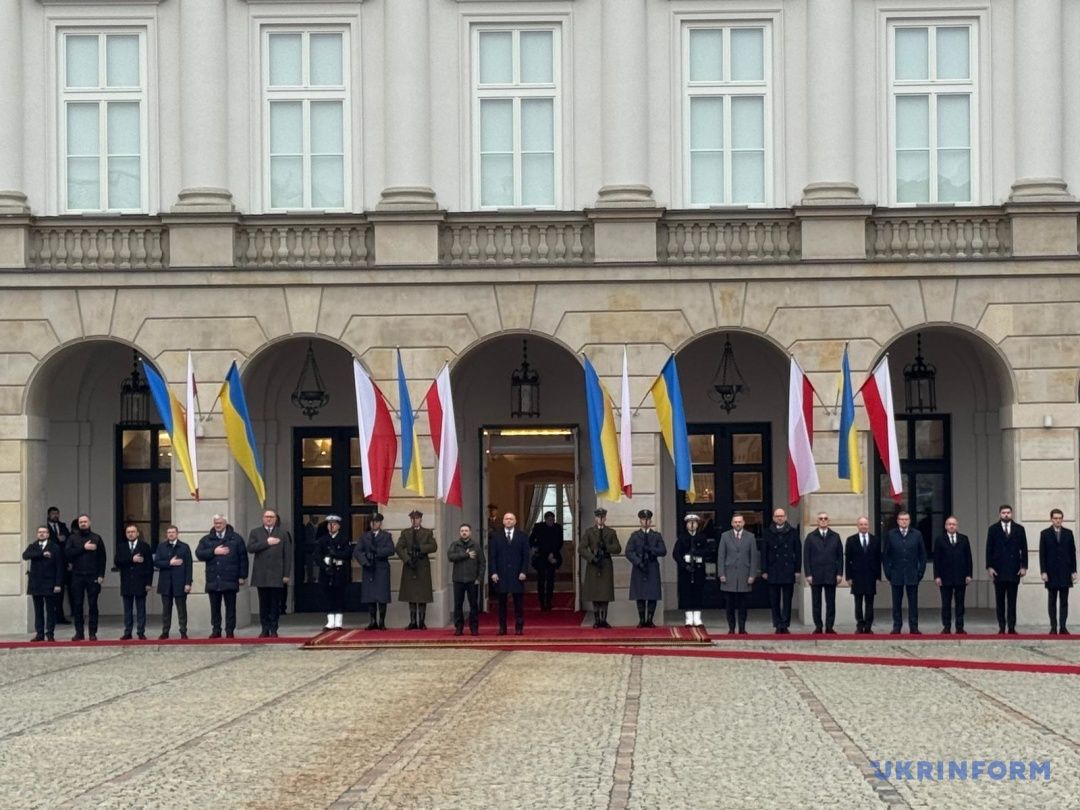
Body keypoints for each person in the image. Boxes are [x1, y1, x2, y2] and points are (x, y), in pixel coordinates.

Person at [196, 514, 248, 638]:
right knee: (215, 608)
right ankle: (216, 630)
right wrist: (213, 551)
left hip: (230, 578)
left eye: (220, 523)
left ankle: (230, 631)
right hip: (213, 579)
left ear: (225, 523)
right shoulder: (207, 539)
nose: (217, 525)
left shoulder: (236, 539)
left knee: (230, 607)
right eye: (215, 523)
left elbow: (243, 559)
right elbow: (199, 554)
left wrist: (242, 576)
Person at [247, 508, 293, 638]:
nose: (268, 519)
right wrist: (266, 543)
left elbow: (287, 555)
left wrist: (286, 574)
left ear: (275, 519)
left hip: (276, 574)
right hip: (261, 574)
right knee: (263, 603)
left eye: (271, 517)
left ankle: (274, 628)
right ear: (263, 518)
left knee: (275, 604)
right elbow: (250, 548)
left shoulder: (283, 533)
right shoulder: (255, 532)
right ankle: (264, 628)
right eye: (266, 516)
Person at [986, 504, 1028, 634]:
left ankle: (1011, 627)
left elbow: (1024, 549)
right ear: (1000, 514)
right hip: (998, 570)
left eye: (1008, 512)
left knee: (1012, 600)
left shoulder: (1019, 529)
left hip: (1014, 569)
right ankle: (1001, 626)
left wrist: (1024, 567)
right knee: (1000, 601)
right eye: (1003, 512)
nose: (1006, 515)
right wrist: (989, 566)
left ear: (1012, 514)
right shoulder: (993, 529)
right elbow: (989, 549)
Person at [883, 510, 926, 634]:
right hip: (896, 574)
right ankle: (897, 626)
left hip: (912, 575)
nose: (904, 521)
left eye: (906, 519)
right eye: (901, 519)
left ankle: (914, 627)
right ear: (897, 521)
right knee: (896, 603)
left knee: (913, 603)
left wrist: (920, 572)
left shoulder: (917, 534)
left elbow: (922, 555)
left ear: (910, 521)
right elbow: (886, 556)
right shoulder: (891, 534)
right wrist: (888, 573)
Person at [65, 514, 106, 641]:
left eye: (85, 521)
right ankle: (79, 633)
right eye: (81, 522)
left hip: (93, 576)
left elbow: (102, 558)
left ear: (90, 522)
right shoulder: (72, 538)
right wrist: (83, 548)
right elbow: (67, 554)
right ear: (78, 524)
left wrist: (101, 575)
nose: (83, 523)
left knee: (93, 605)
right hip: (77, 576)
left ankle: (93, 633)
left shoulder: (96, 538)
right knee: (77, 605)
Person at [489, 512, 530, 635]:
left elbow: (526, 556)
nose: (508, 521)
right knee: (501, 604)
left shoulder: (522, 536)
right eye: (506, 519)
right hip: (501, 575)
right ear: (503, 521)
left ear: (515, 521)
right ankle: (502, 628)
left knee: (518, 603)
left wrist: (523, 571)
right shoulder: (496, 537)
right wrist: (494, 572)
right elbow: (493, 557)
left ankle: (519, 627)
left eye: (511, 519)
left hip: (517, 575)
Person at [718, 513, 759, 634]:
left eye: (739, 522)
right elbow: (721, 556)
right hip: (728, 575)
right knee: (729, 606)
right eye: (735, 522)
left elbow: (754, 557)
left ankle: (742, 628)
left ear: (743, 523)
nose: (737, 524)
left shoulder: (750, 537)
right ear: (732, 523)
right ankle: (731, 628)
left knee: (743, 605)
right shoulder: (725, 536)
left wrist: (752, 575)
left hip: (744, 575)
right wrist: (721, 574)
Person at [761, 508, 800, 634]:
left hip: (788, 569)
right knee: (774, 599)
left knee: (787, 599)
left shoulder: (793, 532)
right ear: (773, 518)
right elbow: (763, 554)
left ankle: (785, 624)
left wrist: (797, 570)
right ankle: (777, 623)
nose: (779, 518)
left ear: (786, 517)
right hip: (773, 569)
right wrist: (764, 570)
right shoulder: (767, 532)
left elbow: (798, 552)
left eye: (782, 516)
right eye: (777, 516)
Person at [580, 507, 621, 628]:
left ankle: (604, 620)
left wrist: (606, 547)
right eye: (598, 517)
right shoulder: (589, 532)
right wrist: (592, 557)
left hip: (606, 564)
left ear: (605, 518)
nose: (601, 519)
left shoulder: (611, 532)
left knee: (605, 594)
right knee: (595, 593)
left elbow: (618, 548)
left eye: (602, 517)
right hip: (594, 564)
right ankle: (597, 619)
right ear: (595, 518)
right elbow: (581, 548)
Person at [625, 509, 667, 628]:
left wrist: (651, 550)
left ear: (651, 520)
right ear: (640, 521)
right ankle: (642, 619)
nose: (646, 521)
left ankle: (650, 620)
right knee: (640, 594)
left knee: (652, 594)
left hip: (652, 566)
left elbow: (663, 551)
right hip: (639, 567)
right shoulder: (635, 536)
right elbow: (628, 551)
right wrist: (638, 562)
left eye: (647, 519)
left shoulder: (656, 536)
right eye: (643, 519)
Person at [396, 510, 437, 629]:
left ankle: (422, 621)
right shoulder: (405, 533)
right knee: (411, 594)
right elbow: (398, 547)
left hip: (422, 565)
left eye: (417, 518)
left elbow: (434, 546)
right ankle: (412, 621)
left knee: (422, 594)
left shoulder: (427, 532)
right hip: (410, 565)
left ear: (421, 519)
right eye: (413, 519)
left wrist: (420, 548)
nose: (415, 521)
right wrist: (407, 559)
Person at [804, 512, 843, 634]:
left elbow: (840, 557)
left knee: (830, 603)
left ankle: (829, 627)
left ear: (828, 521)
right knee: (816, 603)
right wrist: (808, 574)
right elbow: (806, 557)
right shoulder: (810, 537)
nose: (823, 520)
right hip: (815, 575)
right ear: (817, 521)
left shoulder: (835, 536)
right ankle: (818, 627)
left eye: (825, 518)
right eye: (821, 518)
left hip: (831, 574)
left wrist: (839, 574)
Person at [1039, 509, 1077, 634]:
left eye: (1060, 518)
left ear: (1062, 519)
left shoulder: (1068, 533)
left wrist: (1074, 571)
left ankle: (1063, 626)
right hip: (1051, 572)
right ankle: (1053, 627)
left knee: (1064, 601)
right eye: (1055, 518)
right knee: (1052, 601)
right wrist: (1043, 571)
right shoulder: (1045, 534)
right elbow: (1042, 554)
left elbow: (1072, 553)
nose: (1058, 520)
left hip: (1065, 571)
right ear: (1051, 519)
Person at [23, 525, 63, 642]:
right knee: (38, 610)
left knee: (50, 610)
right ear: (37, 534)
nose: (41, 534)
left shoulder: (54, 547)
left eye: (44, 532)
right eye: (39, 532)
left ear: (48, 534)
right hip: (36, 583)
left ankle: (50, 633)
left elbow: (59, 567)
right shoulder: (33, 546)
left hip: (50, 582)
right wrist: (41, 554)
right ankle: (39, 633)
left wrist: (58, 584)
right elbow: (25, 556)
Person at [933, 515, 972, 634]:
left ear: (957, 526)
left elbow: (969, 558)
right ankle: (947, 626)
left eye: (953, 524)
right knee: (946, 604)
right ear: (945, 526)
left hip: (961, 576)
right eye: (949, 524)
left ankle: (960, 627)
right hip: (945, 577)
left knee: (960, 604)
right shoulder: (940, 540)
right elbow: (936, 560)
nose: (951, 526)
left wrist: (969, 574)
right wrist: (937, 576)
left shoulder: (964, 539)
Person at [355, 512, 394, 631]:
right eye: (372, 522)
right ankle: (372, 621)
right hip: (369, 568)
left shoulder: (386, 536)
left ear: (380, 523)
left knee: (382, 596)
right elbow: (357, 551)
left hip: (381, 567)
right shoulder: (364, 536)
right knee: (370, 596)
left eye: (376, 522)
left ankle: (382, 621)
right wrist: (365, 560)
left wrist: (377, 551)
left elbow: (391, 550)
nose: (374, 524)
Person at [115, 524, 153, 640]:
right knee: (127, 609)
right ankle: (128, 632)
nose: (130, 534)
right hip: (126, 582)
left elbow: (149, 566)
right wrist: (132, 559)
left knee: (141, 609)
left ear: (137, 533)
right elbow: (117, 561)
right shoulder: (121, 547)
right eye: (128, 532)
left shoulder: (144, 546)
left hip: (141, 582)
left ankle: (141, 631)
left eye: (133, 532)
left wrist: (148, 583)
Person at [154, 525, 192, 639]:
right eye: (169, 532)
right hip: (165, 583)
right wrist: (169, 563)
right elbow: (156, 563)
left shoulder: (184, 547)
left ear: (177, 533)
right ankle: (165, 631)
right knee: (166, 609)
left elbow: (189, 566)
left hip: (180, 583)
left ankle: (183, 631)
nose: (171, 534)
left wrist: (188, 583)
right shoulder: (161, 547)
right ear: (166, 534)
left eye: (173, 532)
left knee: (181, 609)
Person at [448, 523, 486, 636]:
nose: (464, 532)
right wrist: (466, 555)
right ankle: (459, 627)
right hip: (458, 579)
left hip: (472, 580)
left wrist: (479, 578)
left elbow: (482, 563)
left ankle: (474, 628)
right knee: (458, 605)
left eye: (466, 530)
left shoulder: (476, 545)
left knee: (473, 605)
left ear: (470, 532)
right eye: (462, 531)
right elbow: (451, 557)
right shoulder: (455, 545)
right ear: (459, 533)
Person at [845, 516, 881, 634]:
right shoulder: (851, 540)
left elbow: (878, 559)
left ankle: (868, 626)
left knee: (870, 603)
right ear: (858, 526)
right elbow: (848, 560)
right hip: (856, 577)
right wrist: (848, 577)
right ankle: (860, 625)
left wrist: (878, 576)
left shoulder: (875, 540)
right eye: (861, 524)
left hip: (871, 576)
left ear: (868, 525)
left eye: (865, 524)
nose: (863, 526)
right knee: (858, 602)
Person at [673, 514, 709, 627]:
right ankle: (689, 618)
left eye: (694, 523)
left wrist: (698, 553)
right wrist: (684, 565)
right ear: (686, 524)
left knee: (698, 593)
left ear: (697, 524)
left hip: (698, 569)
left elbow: (708, 551)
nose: (692, 525)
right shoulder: (682, 537)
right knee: (686, 593)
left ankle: (697, 618)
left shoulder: (702, 537)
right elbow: (676, 554)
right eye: (689, 523)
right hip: (686, 571)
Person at [318, 514, 352, 631]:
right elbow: (317, 556)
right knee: (328, 596)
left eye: (334, 524)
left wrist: (335, 555)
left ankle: (338, 621)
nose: (331, 526)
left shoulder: (344, 539)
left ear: (338, 526)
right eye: (329, 524)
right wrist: (324, 564)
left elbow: (347, 554)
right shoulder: (322, 540)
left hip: (339, 572)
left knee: (339, 596)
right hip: (326, 572)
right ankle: (330, 621)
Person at [529, 511, 564, 611]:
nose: (551, 522)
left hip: (553, 557)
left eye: (553, 520)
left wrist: (553, 554)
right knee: (541, 580)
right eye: (549, 520)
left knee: (550, 581)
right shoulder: (539, 527)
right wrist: (536, 549)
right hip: (541, 557)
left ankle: (548, 601)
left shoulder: (557, 528)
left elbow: (560, 542)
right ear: (545, 519)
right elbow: (531, 540)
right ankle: (541, 603)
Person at [46, 507, 71, 624]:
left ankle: (60, 616)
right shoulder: (45, 527)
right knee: (51, 591)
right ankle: (51, 617)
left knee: (60, 591)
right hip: (50, 563)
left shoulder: (63, 526)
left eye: (57, 513)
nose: (55, 516)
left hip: (63, 562)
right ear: (48, 515)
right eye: (53, 514)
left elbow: (69, 540)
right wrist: (57, 538)